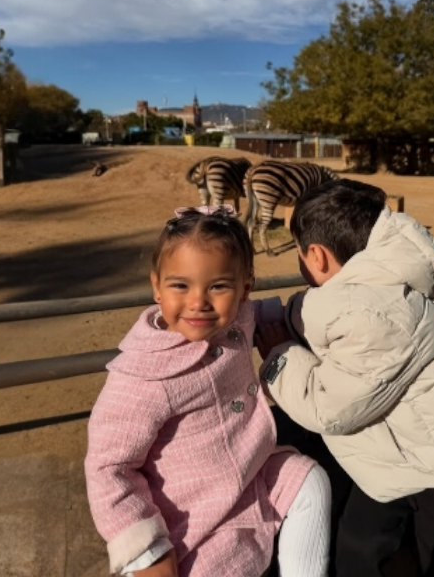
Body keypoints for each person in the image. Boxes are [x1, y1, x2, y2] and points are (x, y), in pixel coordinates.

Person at [256, 179, 434, 577]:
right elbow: (315, 312)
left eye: (299, 252)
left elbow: (329, 409)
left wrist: (278, 356)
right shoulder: (379, 279)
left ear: (316, 256)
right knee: (356, 552)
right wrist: (261, 315)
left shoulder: (371, 316)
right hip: (398, 457)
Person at [85, 207, 331, 577]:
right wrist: (147, 554)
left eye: (218, 286)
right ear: (157, 286)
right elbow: (107, 468)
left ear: (245, 287)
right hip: (196, 524)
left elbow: (278, 313)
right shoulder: (143, 377)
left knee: (309, 480)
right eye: (180, 286)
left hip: (252, 476)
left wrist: (336, 309)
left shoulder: (238, 318)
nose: (198, 301)